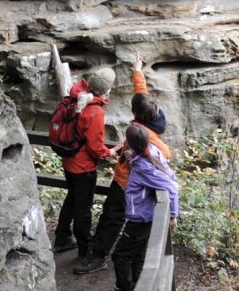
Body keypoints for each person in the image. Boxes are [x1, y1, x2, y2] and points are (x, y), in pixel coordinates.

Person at [73, 53, 171, 274]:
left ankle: (98, 258)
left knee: (112, 218)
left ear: (137, 114)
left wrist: (134, 153)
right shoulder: (148, 113)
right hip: (125, 178)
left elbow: (166, 153)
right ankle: (100, 254)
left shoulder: (145, 133)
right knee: (110, 216)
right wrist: (138, 70)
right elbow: (141, 93)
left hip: (129, 182)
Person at [53, 67, 119, 264]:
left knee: (72, 199)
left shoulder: (75, 96)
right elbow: (95, 146)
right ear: (106, 90)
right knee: (83, 209)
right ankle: (84, 249)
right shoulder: (94, 111)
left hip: (68, 161)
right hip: (83, 168)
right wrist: (110, 153)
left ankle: (62, 236)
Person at [111, 124, 179, 291]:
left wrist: (172, 215)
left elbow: (171, 186)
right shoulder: (151, 152)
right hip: (146, 216)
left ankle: (125, 287)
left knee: (119, 255)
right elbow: (168, 172)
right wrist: (133, 156)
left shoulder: (143, 167)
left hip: (140, 218)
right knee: (139, 255)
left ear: (131, 143)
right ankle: (138, 285)